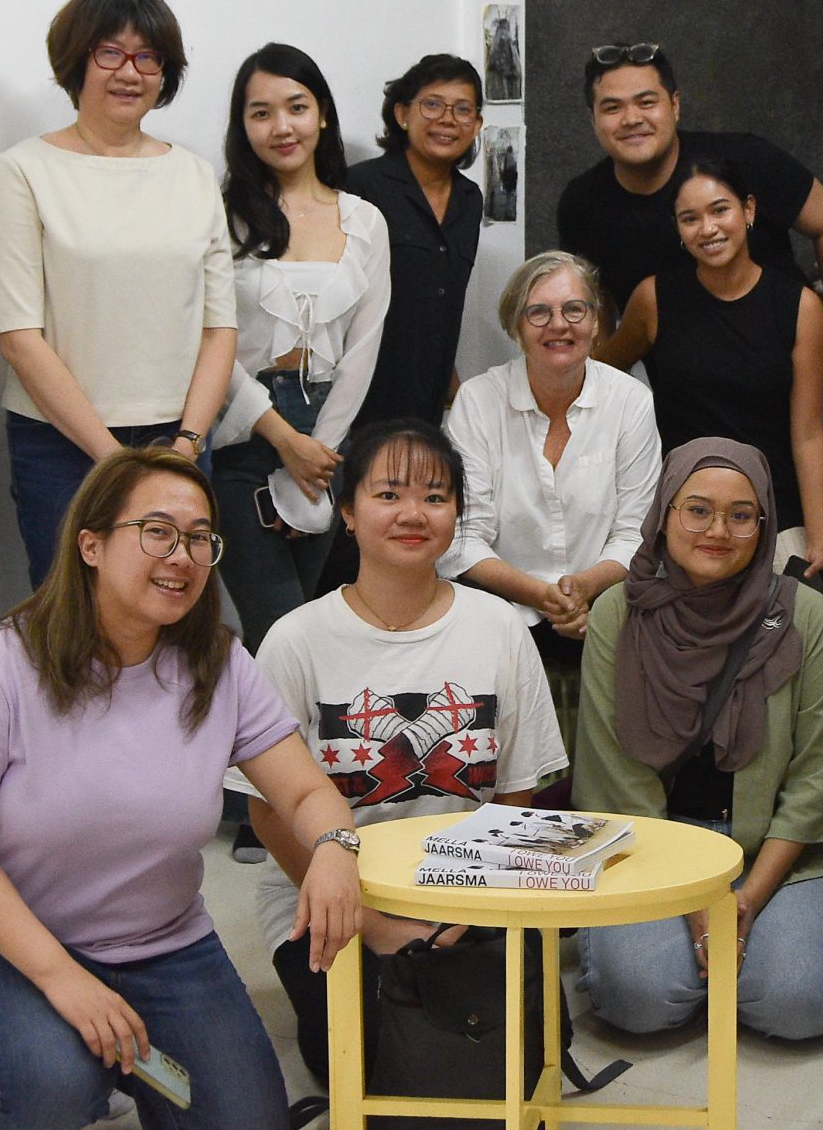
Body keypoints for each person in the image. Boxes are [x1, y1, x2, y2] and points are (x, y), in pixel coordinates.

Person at [0, 448, 362, 1130]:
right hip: (7, 946)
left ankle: (119, 1061)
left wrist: (334, 847)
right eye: (157, 531)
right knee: (51, 1083)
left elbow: (305, 794)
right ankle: (40, 1084)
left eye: (199, 538)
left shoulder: (219, 663)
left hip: (166, 947)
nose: (181, 555)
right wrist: (64, 981)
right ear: (91, 544)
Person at [248, 419, 567, 1084]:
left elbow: (515, 795)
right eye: (388, 494)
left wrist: (466, 909)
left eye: (435, 495)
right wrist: (374, 923)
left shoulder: (500, 630)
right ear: (347, 511)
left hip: (470, 893)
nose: (413, 514)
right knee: (379, 1075)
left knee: (513, 1063)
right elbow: (269, 813)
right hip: (331, 899)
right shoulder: (294, 641)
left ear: (456, 513)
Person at [572, 438, 823, 1041]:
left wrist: (743, 903)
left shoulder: (806, 618)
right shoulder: (617, 615)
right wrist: (695, 910)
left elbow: (821, 774)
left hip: (784, 855)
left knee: (798, 1005)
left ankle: (760, 952)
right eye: (698, 509)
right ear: (664, 514)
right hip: (653, 847)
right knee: (639, 999)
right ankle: (709, 965)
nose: (719, 530)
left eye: (742, 515)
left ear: (763, 524)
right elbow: (620, 786)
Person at [556, 42, 823, 562]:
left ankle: (782, 595)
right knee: (700, 525)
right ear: (593, 120)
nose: (632, 118)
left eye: (646, 101)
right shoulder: (584, 203)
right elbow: (600, 308)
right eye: (612, 107)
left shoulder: (742, 161)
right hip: (689, 396)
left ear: (675, 105)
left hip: (790, 369)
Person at [0, 0, 236, 584]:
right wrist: (116, 463)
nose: (130, 72)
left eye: (148, 57)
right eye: (110, 53)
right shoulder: (23, 170)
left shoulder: (194, 174)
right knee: (74, 625)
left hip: (181, 441)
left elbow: (219, 329)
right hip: (60, 447)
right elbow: (19, 335)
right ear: (76, 59)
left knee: (173, 615)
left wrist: (186, 447)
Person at [209, 43, 390, 651]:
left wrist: (320, 451)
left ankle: (289, 748)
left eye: (297, 107)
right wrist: (285, 441)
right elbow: (208, 339)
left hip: (328, 442)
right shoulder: (220, 214)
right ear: (242, 126)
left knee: (305, 630)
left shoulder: (364, 221)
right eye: (261, 113)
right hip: (244, 433)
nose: (282, 127)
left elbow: (364, 346)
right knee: (282, 634)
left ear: (324, 116)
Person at [442, 251, 661, 718]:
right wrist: (542, 596)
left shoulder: (630, 402)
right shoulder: (478, 402)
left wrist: (583, 588)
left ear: (597, 322)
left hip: (603, 606)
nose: (558, 325)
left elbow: (635, 534)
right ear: (517, 328)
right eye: (538, 312)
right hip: (499, 609)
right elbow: (462, 538)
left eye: (573, 310)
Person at [602, 157, 823, 589]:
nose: (707, 229)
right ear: (677, 228)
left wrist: (818, 541)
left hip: (773, 512)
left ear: (748, 210)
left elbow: (808, 434)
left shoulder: (799, 307)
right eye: (690, 218)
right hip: (685, 515)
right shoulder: (655, 299)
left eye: (719, 210)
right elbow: (599, 376)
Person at [350, 54, 484, 426]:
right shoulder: (361, 187)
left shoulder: (470, 200)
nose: (447, 119)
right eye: (433, 104)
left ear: (477, 125)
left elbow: (438, 300)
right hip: (362, 399)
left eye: (462, 109)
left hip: (429, 397)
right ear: (402, 114)